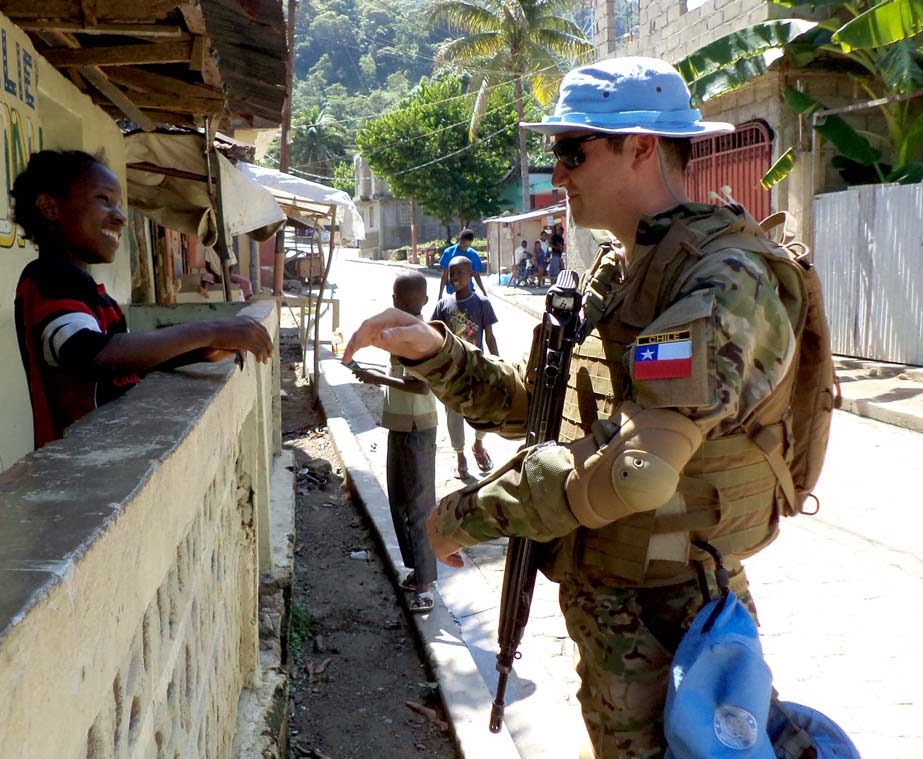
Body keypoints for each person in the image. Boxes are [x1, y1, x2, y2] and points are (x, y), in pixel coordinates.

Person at [343, 56, 808, 757]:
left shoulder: (722, 281)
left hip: (675, 615)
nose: (556, 174)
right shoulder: (623, 270)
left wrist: (467, 514)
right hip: (616, 607)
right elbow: (544, 411)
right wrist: (433, 352)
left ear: (641, 147)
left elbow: (636, 469)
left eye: (571, 151)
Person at [11, 150, 274, 448]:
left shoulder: (83, 288)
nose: (121, 217)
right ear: (49, 207)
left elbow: (123, 368)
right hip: (80, 471)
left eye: (120, 205)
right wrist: (207, 331)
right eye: (103, 199)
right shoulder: (50, 277)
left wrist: (201, 349)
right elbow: (89, 354)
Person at [350, 271, 439, 613]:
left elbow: (422, 387)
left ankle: (427, 583)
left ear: (423, 301)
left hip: (418, 427)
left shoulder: (423, 336)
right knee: (400, 501)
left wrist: (376, 377)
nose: (397, 303)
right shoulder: (401, 334)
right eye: (395, 297)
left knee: (418, 505)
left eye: (404, 298)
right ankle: (417, 572)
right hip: (400, 425)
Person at [432, 256, 498, 480]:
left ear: (471, 275)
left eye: (459, 273)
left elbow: (489, 336)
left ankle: (479, 443)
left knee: (484, 409)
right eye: (451, 274)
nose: (454, 278)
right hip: (451, 372)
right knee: (453, 413)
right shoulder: (443, 305)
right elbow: (435, 337)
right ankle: (459, 454)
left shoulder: (482, 303)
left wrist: (497, 363)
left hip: (477, 368)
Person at [436, 228, 487, 299]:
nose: (464, 247)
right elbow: (445, 275)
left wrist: (483, 291)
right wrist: (440, 294)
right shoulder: (449, 253)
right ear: (459, 240)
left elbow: (476, 275)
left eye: (467, 246)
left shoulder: (473, 254)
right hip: (452, 291)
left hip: (468, 291)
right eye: (463, 244)